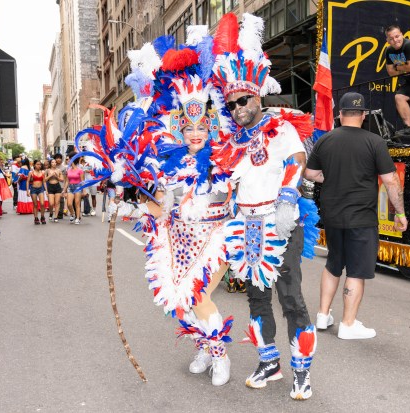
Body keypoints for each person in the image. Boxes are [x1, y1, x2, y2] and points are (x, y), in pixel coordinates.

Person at [98, 33, 235, 386]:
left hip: (214, 236)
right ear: (177, 126)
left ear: (212, 126)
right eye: (187, 127)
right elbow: (157, 206)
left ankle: (221, 356)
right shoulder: (166, 164)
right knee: (184, 301)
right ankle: (205, 346)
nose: (194, 133)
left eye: (201, 126)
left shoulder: (225, 159)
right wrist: (128, 196)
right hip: (177, 238)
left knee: (200, 295)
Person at [212, 13, 318, 400]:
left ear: (257, 96)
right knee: (257, 296)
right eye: (232, 102)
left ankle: (301, 372)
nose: (238, 106)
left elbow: (295, 161)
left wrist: (289, 202)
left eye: (243, 99)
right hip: (249, 226)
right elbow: (224, 182)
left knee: (290, 297)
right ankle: (269, 361)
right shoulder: (232, 140)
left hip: (280, 220)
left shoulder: (280, 126)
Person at [304, 92, 408, 340]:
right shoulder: (375, 142)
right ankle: (348, 324)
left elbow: (309, 173)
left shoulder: (325, 140)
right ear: (363, 115)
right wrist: (400, 213)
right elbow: (391, 181)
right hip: (361, 217)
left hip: (332, 215)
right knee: (356, 271)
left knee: (333, 264)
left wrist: (327, 178)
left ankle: (322, 315)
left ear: (339, 115)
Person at [62, 155, 84, 225]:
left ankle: (77, 218)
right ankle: (72, 214)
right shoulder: (68, 170)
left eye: (69, 160)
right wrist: (64, 190)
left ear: (73, 160)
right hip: (70, 187)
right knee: (69, 204)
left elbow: (83, 181)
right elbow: (67, 182)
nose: (67, 161)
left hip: (78, 187)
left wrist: (84, 190)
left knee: (77, 204)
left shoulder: (80, 170)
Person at [27, 160, 47, 225]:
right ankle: (36, 218)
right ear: (34, 165)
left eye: (40, 164)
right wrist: (27, 191)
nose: (39, 166)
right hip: (33, 189)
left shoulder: (42, 172)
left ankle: (42, 216)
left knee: (42, 203)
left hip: (41, 189)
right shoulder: (31, 172)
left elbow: (44, 182)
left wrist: (46, 190)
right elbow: (27, 181)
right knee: (35, 204)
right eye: (37, 164)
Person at [54, 153, 67, 219]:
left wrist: (65, 188)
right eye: (57, 158)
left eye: (60, 158)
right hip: (53, 185)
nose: (58, 159)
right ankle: (56, 211)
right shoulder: (53, 167)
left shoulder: (64, 168)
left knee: (61, 200)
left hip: (61, 185)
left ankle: (60, 213)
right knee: (55, 200)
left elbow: (65, 178)